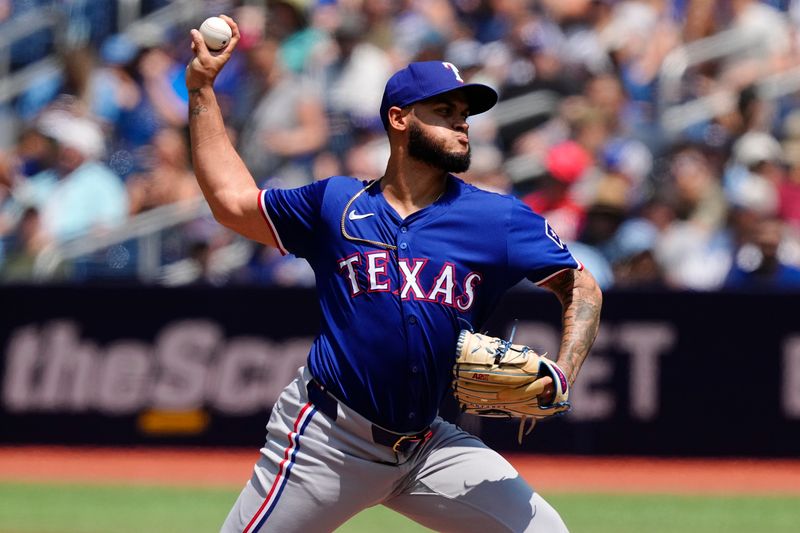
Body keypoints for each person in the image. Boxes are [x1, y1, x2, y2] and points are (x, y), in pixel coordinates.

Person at [186, 16, 602, 533]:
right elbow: (231, 202)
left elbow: (580, 283)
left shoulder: (497, 219)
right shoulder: (336, 203)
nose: (462, 123)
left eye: (465, 114)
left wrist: (564, 371)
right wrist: (202, 88)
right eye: (445, 111)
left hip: (428, 445)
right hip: (330, 441)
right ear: (400, 119)